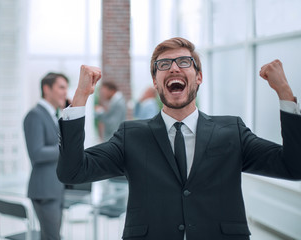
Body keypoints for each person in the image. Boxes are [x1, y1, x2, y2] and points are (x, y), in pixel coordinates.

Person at [56, 37, 301, 240]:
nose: (174, 68)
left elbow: (294, 166)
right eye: (164, 65)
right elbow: (73, 172)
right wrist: (79, 97)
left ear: (199, 77)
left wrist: (285, 94)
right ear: (155, 82)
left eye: (184, 62)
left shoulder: (231, 131)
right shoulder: (131, 136)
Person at [24, 72, 69, 240]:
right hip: (45, 191)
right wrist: (66, 150)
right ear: (46, 89)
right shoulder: (35, 115)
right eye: (61, 87)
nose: (65, 92)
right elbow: (36, 153)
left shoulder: (52, 115)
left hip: (55, 189)